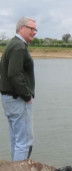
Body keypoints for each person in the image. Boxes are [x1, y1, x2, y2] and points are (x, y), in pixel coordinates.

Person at [0, 17, 37, 161]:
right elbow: (14, 74)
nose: (34, 32)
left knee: (16, 141)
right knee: (24, 143)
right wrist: (27, 96)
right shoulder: (19, 46)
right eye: (31, 29)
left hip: (9, 99)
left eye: (35, 29)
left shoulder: (12, 44)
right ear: (21, 28)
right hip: (17, 100)